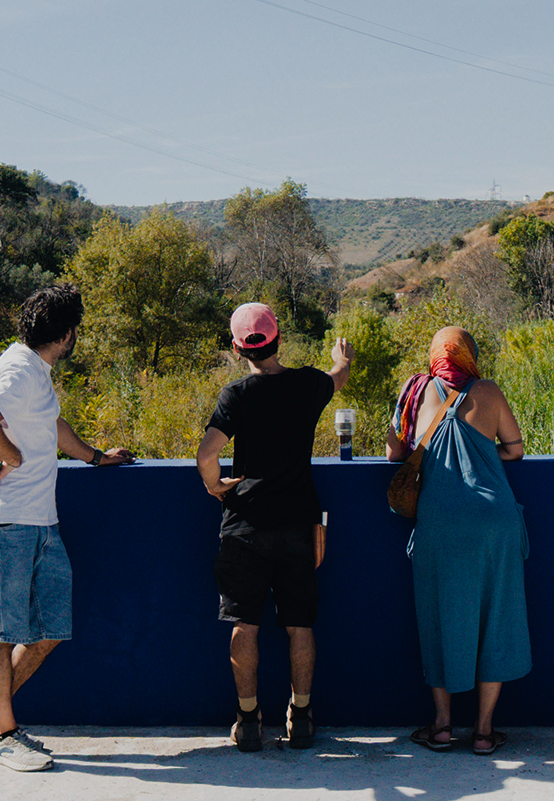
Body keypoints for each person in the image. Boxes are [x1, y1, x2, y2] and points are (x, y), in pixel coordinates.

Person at [0, 283, 133, 772]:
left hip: (42, 521)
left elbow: (53, 426)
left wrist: (95, 457)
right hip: (8, 523)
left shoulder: (35, 372)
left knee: (50, 629)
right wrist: (12, 457)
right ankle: (6, 738)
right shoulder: (18, 370)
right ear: (66, 335)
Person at [196, 302, 353, 753]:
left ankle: (248, 722)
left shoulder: (236, 395)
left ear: (237, 348)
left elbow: (207, 454)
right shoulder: (308, 384)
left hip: (245, 525)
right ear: (278, 339)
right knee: (299, 626)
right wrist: (341, 358)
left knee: (244, 625)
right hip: (297, 525)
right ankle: (300, 717)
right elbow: (339, 376)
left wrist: (214, 485)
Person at [386, 326, 529, 756]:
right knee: (495, 618)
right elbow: (515, 450)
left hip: (440, 523)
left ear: (434, 356)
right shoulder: (488, 391)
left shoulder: (415, 392)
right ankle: (483, 733)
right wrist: (480, 457)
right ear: (471, 354)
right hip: (495, 523)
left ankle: (443, 727)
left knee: (439, 618)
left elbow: (394, 453)